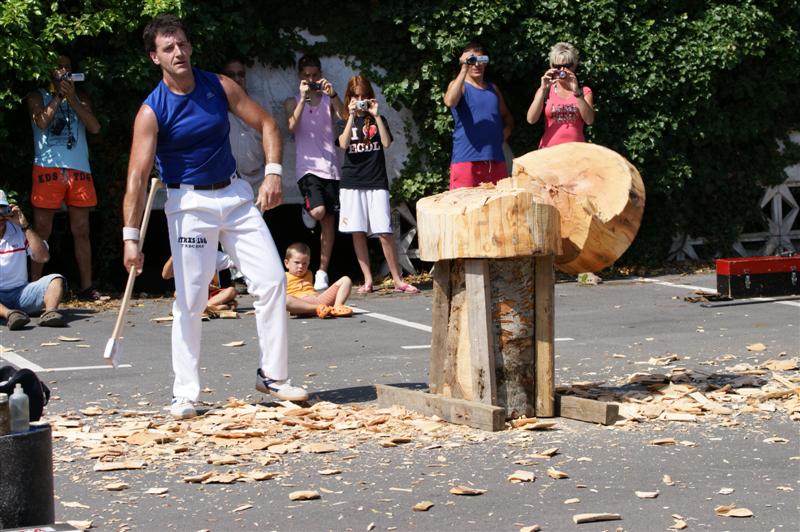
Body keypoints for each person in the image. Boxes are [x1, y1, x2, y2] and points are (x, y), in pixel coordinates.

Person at [122, 14, 308, 420]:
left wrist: (274, 173)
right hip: (189, 206)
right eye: (169, 48)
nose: (179, 53)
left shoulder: (219, 86)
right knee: (190, 301)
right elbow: (137, 177)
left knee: (273, 280)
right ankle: (185, 393)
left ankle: (273, 376)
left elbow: (268, 124)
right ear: (155, 57)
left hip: (236, 196)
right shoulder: (152, 111)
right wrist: (130, 237)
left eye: (183, 45)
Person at [25, 54, 102, 301]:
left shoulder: (82, 97)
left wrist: (73, 99)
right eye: (59, 67)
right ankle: (33, 288)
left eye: (68, 66)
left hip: (79, 169)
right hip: (48, 169)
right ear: (49, 72)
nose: (64, 70)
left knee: (81, 230)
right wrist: (59, 96)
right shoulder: (37, 96)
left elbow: (95, 127)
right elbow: (42, 122)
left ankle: (87, 287)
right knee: (43, 230)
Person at [336, 75, 419, 295]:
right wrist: (351, 116)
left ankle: (397, 279)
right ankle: (368, 279)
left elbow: (386, 143)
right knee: (357, 231)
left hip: (376, 181)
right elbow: (343, 144)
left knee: (384, 231)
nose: (361, 100)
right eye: (356, 97)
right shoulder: (344, 119)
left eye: (364, 97)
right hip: (352, 182)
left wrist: (376, 116)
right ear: (349, 98)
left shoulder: (376, 119)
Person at [284, 54, 345, 291]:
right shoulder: (292, 101)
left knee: (329, 222)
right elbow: (291, 125)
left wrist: (333, 94)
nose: (311, 80)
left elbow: (345, 117)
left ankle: (321, 271)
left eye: (315, 75)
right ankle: (308, 208)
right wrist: (302, 98)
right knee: (318, 212)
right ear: (300, 77)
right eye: (306, 76)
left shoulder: (329, 101)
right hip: (307, 168)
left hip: (330, 167)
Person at [444, 41, 514, 190]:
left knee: (499, 208)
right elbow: (450, 101)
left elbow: (507, 118)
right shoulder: (460, 86)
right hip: (466, 160)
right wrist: (463, 68)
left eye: (481, 60)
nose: (477, 65)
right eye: (472, 61)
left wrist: (502, 136)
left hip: (495, 159)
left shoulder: (493, 89)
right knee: (463, 208)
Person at [0, 189, 66, 330]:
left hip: (21, 293)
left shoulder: (18, 230)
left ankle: (50, 313)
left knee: (56, 279)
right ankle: (10, 315)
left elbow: (43, 257)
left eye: (2, 209)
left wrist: (25, 226)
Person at [526, 42, 595, 148]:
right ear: (551, 67)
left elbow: (589, 120)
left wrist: (576, 91)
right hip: (549, 151)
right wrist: (543, 89)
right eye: (557, 66)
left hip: (576, 151)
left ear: (574, 66)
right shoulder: (545, 90)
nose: (562, 70)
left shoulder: (584, 91)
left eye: (567, 66)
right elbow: (531, 119)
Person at [284, 242, 353, 318]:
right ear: (287, 263)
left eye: (305, 263)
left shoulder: (309, 273)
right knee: (285, 300)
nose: (301, 266)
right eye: (297, 263)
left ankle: (337, 307)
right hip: (301, 304)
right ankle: (316, 309)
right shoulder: (283, 277)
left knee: (346, 280)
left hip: (319, 301)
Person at [162, 252, 238, 313]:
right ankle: (216, 308)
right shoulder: (184, 256)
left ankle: (205, 307)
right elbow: (165, 275)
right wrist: (173, 257)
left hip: (212, 295)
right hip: (193, 293)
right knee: (177, 293)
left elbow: (237, 262)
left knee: (232, 290)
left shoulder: (213, 255)